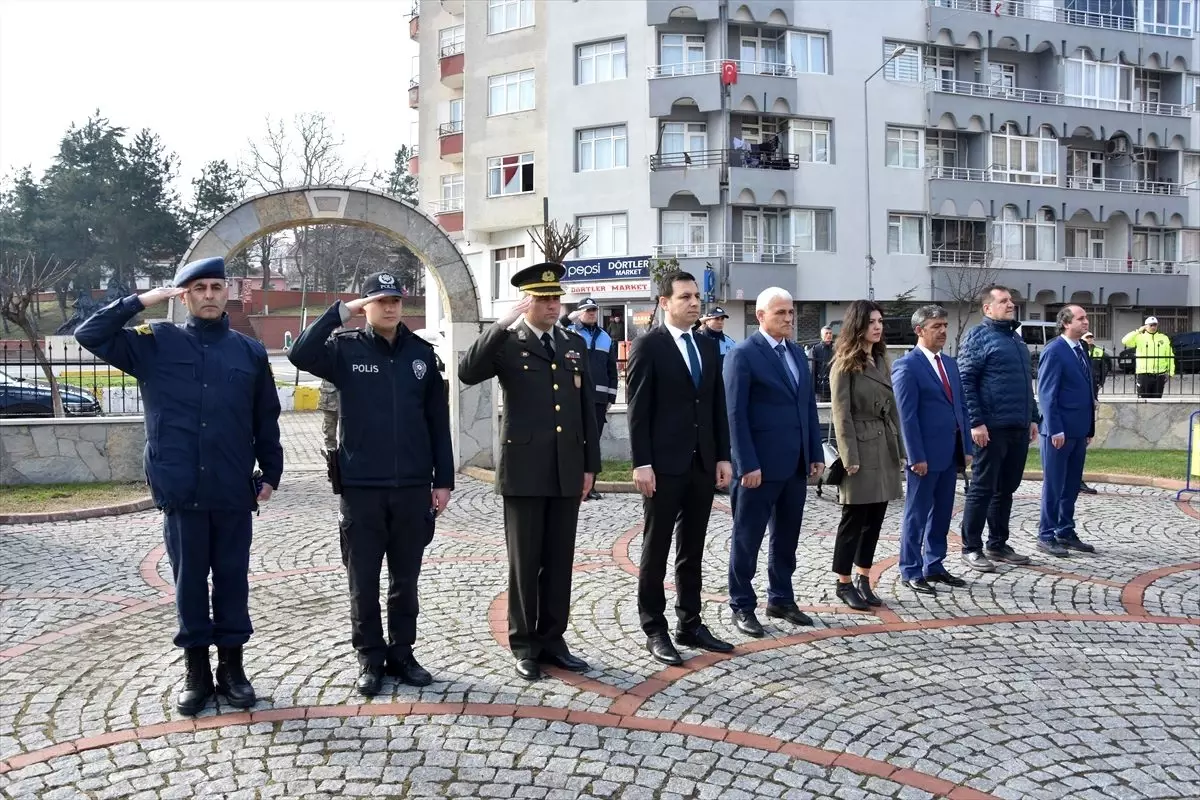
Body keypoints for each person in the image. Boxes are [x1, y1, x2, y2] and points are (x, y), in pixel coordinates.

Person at [74, 256, 283, 716]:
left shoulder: (247, 351)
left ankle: (232, 669)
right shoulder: (155, 344)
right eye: (199, 287)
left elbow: (265, 417)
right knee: (190, 582)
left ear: (226, 291)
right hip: (181, 487)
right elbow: (88, 335)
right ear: (184, 294)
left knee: (231, 581)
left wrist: (271, 471)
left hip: (232, 488)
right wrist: (142, 300)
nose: (209, 294)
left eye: (216, 286)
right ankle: (196, 672)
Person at [288, 271, 454, 696]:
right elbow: (301, 353)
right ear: (366, 306)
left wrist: (444, 480)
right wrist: (341, 313)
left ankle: (402, 652)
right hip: (361, 487)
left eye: (396, 298)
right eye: (380, 299)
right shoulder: (345, 351)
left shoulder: (421, 354)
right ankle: (370, 658)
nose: (391, 306)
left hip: (412, 486)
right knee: (363, 580)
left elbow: (438, 422)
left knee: (406, 579)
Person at [459, 263, 601, 681]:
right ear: (526, 302)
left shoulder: (573, 344)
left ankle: (554, 641)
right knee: (525, 562)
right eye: (543, 299)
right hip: (524, 470)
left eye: (556, 298)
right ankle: (524, 644)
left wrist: (590, 465)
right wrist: (502, 323)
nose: (553, 306)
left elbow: (585, 410)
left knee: (559, 560)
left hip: (566, 468)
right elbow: (468, 370)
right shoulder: (509, 342)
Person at [627, 271, 734, 666]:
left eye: (696, 297)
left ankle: (690, 622)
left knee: (693, 548)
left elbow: (715, 405)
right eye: (685, 296)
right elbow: (638, 410)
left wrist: (722, 455)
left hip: (701, 463)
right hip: (663, 465)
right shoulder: (648, 346)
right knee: (656, 548)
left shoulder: (708, 346)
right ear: (664, 301)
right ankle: (654, 627)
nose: (694, 303)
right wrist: (642, 462)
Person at [724, 287, 824, 636]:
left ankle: (781, 597)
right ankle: (742, 604)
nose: (788, 319)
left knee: (786, 538)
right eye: (780, 313)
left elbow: (807, 407)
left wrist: (814, 452)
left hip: (794, 465)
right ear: (761, 316)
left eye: (791, 312)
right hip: (757, 469)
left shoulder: (797, 353)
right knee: (747, 538)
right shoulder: (743, 355)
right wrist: (746, 464)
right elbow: (735, 415)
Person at [827, 301, 905, 609]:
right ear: (858, 324)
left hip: (883, 443)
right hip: (859, 446)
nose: (878, 326)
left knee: (875, 518)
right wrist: (849, 456)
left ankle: (863, 576)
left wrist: (899, 449)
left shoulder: (882, 359)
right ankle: (843, 581)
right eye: (871, 321)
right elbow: (840, 413)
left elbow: (893, 409)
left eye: (880, 321)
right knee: (853, 518)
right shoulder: (844, 364)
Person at [957, 284, 1040, 573]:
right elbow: (965, 381)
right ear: (987, 308)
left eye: (1011, 300)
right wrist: (976, 422)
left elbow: (1026, 385)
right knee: (982, 487)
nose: (1010, 304)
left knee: (1006, 488)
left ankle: (998, 543)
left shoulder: (1016, 340)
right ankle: (971, 547)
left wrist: (1032, 418)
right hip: (990, 428)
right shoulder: (978, 336)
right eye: (1003, 301)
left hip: (1017, 426)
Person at [891, 305, 970, 596]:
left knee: (942, 513)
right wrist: (915, 456)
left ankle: (934, 564)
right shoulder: (907, 366)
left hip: (949, 452)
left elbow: (960, 407)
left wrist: (967, 447)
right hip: (924, 456)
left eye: (944, 325)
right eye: (936, 326)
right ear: (919, 330)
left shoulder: (949, 363)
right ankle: (910, 568)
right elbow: (906, 416)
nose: (943, 331)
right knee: (917, 513)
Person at [1035, 306, 1098, 558]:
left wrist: (1088, 428)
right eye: (1081, 318)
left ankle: (1065, 530)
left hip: (1078, 430)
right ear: (1065, 323)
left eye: (1085, 318)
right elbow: (1047, 394)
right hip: (1058, 433)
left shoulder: (1081, 348)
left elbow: (1087, 392)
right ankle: (1046, 534)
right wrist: (1055, 429)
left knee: (1071, 485)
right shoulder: (1054, 350)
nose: (1086, 322)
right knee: (1054, 485)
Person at [568, 297, 619, 501]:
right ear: (579, 312)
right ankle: (574, 485)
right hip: (574, 398)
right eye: (587, 310)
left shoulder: (605, 337)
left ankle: (591, 487)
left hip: (598, 399)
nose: (591, 313)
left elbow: (611, 369)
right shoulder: (570, 333)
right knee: (574, 442)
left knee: (593, 444)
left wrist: (611, 397)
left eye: (594, 310)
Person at [1121, 316, 1175, 399]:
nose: (1153, 327)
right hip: (1144, 374)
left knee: (1157, 401)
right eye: (1151, 325)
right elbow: (1125, 341)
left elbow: (1169, 355)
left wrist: (1171, 372)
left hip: (1160, 375)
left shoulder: (1164, 338)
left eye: (1155, 325)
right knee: (1143, 401)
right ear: (1146, 326)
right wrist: (1138, 331)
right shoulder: (1139, 337)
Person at [1078, 331, 1105, 495]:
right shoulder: (1062, 352)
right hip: (1071, 413)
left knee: (1081, 449)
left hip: (1086, 408)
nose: (1089, 340)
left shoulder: (1092, 353)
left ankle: (1077, 481)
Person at [810, 326, 834, 403]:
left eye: (830, 333)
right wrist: (812, 389)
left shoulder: (837, 349)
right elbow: (812, 370)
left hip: (834, 387)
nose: (829, 335)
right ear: (822, 335)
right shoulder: (815, 349)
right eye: (826, 333)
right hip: (820, 388)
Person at [318, 379, 339, 450]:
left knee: (351, 431)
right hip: (330, 394)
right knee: (330, 431)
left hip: (350, 393)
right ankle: (332, 457)